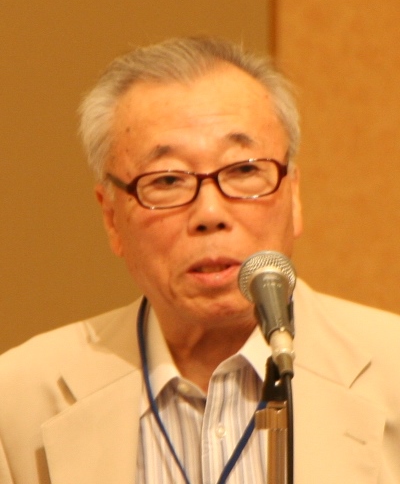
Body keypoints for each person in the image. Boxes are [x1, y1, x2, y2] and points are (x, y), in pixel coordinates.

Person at [1, 36, 400, 484]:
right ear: (111, 217)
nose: (210, 213)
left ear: (293, 195)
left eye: (244, 170)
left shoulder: (393, 372)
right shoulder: (18, 403)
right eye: (167, 180)